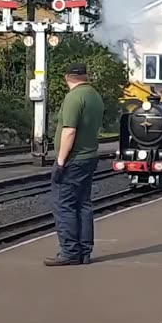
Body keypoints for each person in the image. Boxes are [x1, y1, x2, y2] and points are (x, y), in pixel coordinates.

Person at [46, 62, 105, 266]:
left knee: (64, 205)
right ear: (85, 76)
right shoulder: (94, 95)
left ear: (67, 77)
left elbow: (69, 130)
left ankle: (70, 252)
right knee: (83, 205)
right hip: (90, 156)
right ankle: (85, 251)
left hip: (73, 160)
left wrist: (61, 161)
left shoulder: (74, 97)